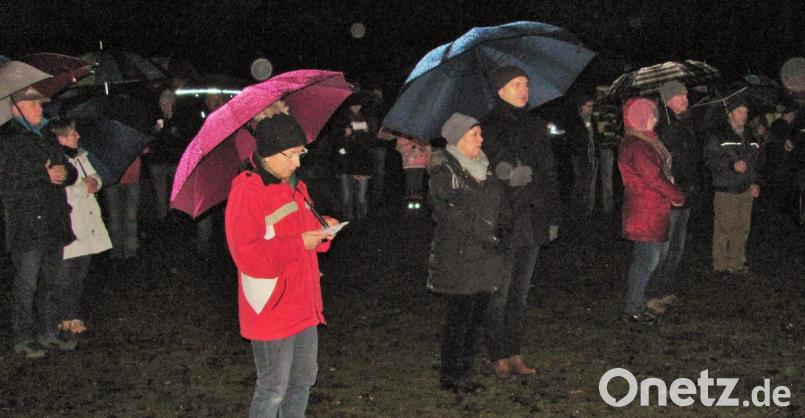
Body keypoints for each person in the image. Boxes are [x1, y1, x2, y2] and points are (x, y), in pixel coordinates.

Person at [225, 111, 338, 418]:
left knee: (303, 381)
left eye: (301, 153)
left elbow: (305, 230)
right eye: (290, 155)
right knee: (273, 389)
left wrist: (323, 229)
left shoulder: (295, 185)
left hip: (304, 304)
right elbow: (247, 256)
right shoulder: (247, 191)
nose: (298, 163)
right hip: (272, 308)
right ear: (269, 152)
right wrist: (301, 243)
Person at [481, 65, 561, 378]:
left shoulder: (535, 125)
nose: (524, 90)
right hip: (504, 218)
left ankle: (514, 351)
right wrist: (506, 176)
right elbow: (482, 168)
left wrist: (553, 216)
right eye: (517, 84)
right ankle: (497, 354)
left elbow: (549, 172)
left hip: (533, 217)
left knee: (520, 292)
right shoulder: (488, 126)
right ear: (501, 90)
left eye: (526, 84)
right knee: (500, 292)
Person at [427, 113, 510, 395]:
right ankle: (452, 375)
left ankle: (465, 372)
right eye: (475, 134)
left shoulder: (484, 167)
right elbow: (453, 215)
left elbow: (497, 206)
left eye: (480, 133)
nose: (481, 139)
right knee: (459, 319)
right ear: (458, 138)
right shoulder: (444, 172)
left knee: (475, 319)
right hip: (459, 258)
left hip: (485, 257)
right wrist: (489, 233)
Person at [0, 86, 78, 358]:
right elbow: (7, 183)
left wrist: (64, 174)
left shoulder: (47, 135)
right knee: (27, 284)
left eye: (39, 104)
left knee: (52, 281)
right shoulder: (7, 141)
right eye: (32, 104)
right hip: (27, 225)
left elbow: (68, 170)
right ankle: (22, 337)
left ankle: (49, 332)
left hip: (53, 220)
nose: (39, 109)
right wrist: (42, 175)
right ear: (15, 108)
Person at [618, 98, 685, 323]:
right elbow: (653, 177)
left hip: (652, 208)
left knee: (650, 259)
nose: (654, 119)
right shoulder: (638, 145)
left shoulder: (644, 141)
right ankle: (633, 307)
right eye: (650, 114)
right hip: (645, 208)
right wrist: (675, 194)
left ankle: (638, 301)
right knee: (646, 260)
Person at [51, 119, 113, 335]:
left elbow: (94, 175)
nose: (77, 136)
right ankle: (63, 317)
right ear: (59, 137)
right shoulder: (56, 159)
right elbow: (61, 190)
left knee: (80, 274)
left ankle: (72, 314)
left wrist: (95, 182)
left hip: (87, 223)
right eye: (72, 133)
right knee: (65, 274)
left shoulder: (81, 156)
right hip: (70, 223)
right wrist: (81, 187)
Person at [648, 81, 702, 313]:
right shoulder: (663, 126)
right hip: (671, 196)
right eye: (682, 96)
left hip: (685, 193)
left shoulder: (683, 123)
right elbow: (665, 163)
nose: (686, 100)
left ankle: (665, 288)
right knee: (663, 247)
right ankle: (652, 292)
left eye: (687, 95)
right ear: (669, 99)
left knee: (677, 247)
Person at [703, 97, 762, 273]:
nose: (744, 115)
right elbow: (709, 160)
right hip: (726, 189)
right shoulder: (718, 134)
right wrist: (731, 166)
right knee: (724, 228)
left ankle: (735, 263)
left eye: (745, 112)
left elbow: (756, 162)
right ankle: (720, 264)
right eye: (739, 111)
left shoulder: (750, 136)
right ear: (730, 114)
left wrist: (755, 182)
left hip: (745, 188)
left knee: (742, 228)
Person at [334, 94, 375, 221]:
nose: (357, 107)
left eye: (359, 105)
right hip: (347, 163)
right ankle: (348, 218)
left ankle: (362, 218)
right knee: (347, 195)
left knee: (361, 195)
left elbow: (372, 142)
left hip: (363, 162)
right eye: (354, 105)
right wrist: (345, 135)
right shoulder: (342, 119)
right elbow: (337, 143)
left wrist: (368, 131)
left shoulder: (366, 118)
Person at [567, 95, 598, 218]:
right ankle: (575, 211)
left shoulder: (592, 120)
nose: (591, 109)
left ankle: (586, 211)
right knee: (580, 183)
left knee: (589, 183)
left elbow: (595, 138)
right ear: (581, 107)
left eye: (592, 106)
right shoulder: (575, 121)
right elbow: (574, 140)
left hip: (591, 155)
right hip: (580, 156)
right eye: (588, 106)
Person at [395, 135, 432, 200]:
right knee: (410, 181)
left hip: (420, 163)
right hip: (409, 163)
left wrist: (428, 163)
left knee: (418, 181)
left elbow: (428, 149)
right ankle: (410, 196)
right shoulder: (403, 135)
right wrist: (410, 145)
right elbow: (399, 147)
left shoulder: (423, 135)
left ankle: (417, 195)